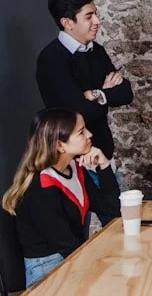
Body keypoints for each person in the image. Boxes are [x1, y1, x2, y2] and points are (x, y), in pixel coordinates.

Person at [36, 0, 132, 222]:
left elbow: (126, 93)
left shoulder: (96, 51)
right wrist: (106, 94)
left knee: (117, 222)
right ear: (67, 23)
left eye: (95, 14)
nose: (97, 21)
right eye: (89, 16)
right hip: (73, 161)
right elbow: (80, 113)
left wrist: (96, 94)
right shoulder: (52, 59)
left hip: (102, 155)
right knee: (80, 232)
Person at [1, 108, 121, 287]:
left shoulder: (75, 169)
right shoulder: (41, 187)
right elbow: (67, 245)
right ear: (59, 145)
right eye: (81, 132)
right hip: (47, 270)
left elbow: (112, 211)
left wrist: (103, 165)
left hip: (75, 255)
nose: (90, 134)